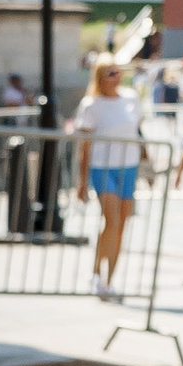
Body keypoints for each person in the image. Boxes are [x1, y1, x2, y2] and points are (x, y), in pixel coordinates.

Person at [71, 56, 143, 299]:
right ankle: (96, 272)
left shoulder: (131, 98)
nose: (117, 76)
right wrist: (81, 182)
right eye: (111, 72)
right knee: (110, 220)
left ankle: (110, 279)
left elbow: (138, 132)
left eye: (118, 71)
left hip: (129, 165)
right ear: (100, 76)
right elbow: (85, 147)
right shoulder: (91, 104)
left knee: (122, 223)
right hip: (103, 167)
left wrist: (148, 161)